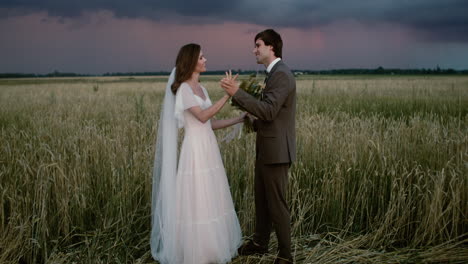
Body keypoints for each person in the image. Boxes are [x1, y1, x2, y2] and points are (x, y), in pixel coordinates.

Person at [151, 43, 243, 264]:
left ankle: (212, 248)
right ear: (191, 61)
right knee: (197, 199)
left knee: (211, 196)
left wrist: (240, 119)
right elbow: (201, 117)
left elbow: (210, 123)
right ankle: (197, 253)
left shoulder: (201, 89)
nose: (205, 60)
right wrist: (228, 96)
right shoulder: (183, 89)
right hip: (195, 151)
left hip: (208, 148)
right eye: (201, 57)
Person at [220, 29, 296, 264]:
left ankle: (285, 256)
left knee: (277, 205)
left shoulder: (281, 74)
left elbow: (269, 110)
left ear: (271, 47)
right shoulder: (273, 75)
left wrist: (238, 93)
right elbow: (268, 115)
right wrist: (250, 119)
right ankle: (260, 244)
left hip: (276, 153)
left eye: (258, 45)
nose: (254, 50)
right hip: (266, 149)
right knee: (262, 200)